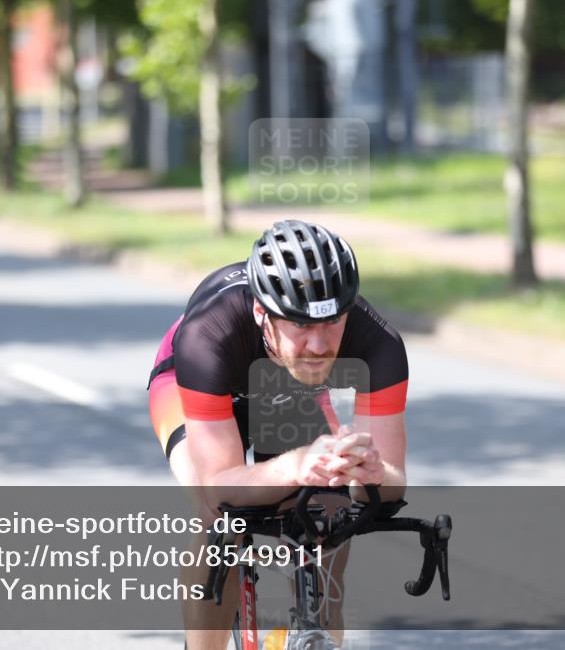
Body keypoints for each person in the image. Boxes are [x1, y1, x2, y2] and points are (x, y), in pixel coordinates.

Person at [147, 219, 409, 650]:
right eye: (300, 326)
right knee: (220, 520)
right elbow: (219, 485)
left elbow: (392, 486)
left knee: (330, 517)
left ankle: (315, 635)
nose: (320, 345)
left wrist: (370, 473)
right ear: (261, 314)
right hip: (189, 380)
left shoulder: (379, 344)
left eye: (331, 323)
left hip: (287, 388)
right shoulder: (207, 336)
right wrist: (294, 465)